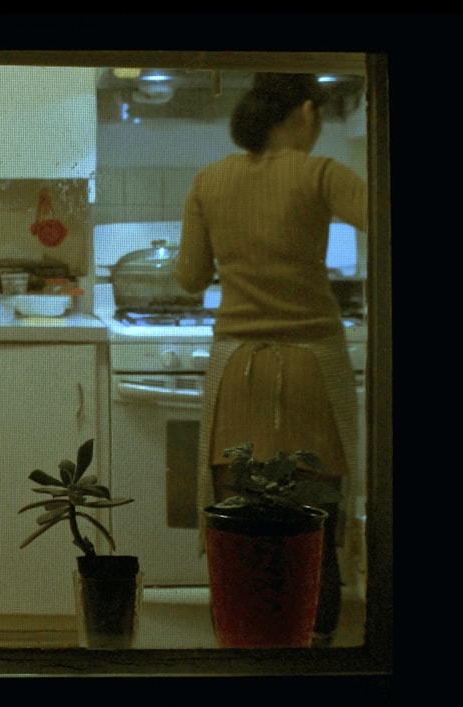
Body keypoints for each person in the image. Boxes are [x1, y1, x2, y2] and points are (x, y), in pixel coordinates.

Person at [174, 72, 367, 646]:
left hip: (236, 373)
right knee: (315, 535)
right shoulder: (322, 173)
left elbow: (188, 279)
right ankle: (318, 656)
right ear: (306, 112)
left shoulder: (210, 180)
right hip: (313, 372)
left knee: (238, 533)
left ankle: (239, 652)